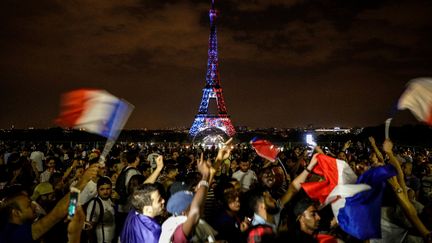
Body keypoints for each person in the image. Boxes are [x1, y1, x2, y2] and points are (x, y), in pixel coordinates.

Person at [0, 164, 99, 243]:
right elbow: (57, 214)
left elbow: (68, 211)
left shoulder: (28, 222)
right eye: (28, 205)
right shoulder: (15, 235)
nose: (34, 205)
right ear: (15, 212)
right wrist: (83, 182)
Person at [85, 176, 115, 243]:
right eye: (102, 189)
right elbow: (88, 227)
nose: (105, 191)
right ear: (97, 189)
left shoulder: (111, 200)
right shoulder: (95, 203)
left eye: (108, 188)